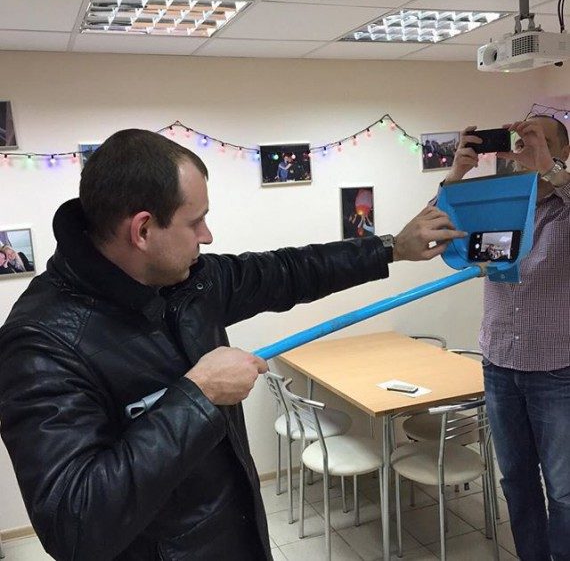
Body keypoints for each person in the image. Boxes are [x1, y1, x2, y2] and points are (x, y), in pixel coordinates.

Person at [0, 129, 465, 561]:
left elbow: (288, 271)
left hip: (235, 537)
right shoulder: (40, 343)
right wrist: (198, 396)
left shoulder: (186, 281)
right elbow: (74, 523)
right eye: (196, 221)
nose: (207, 235)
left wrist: (390, 248)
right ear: (142, 230)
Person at [439, 115, 570, 561]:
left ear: (563, 152)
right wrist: (457, 172)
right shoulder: (500, 205)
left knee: (564, 489)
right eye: (522, 141)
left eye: (540, 140)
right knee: (515, 480)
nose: (527, 147)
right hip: (498, 365)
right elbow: (434, 228)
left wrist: (550, 169)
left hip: (557, 370)